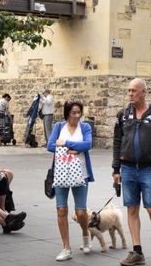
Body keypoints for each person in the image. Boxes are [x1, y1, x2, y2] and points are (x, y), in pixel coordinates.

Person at [112, 78, 151, 266]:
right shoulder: (123, 115)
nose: (130, 94)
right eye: (128, 90)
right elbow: (117, 143)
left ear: (143, 92)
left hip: (150, 168)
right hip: (128, 168)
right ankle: (137, 251)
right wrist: (116, 169)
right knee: (132, 208)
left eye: (134, 91)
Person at [47, 99, 94, 261]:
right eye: (73, 112)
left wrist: (66, 143)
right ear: (67, 113)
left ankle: (85, 233)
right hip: (61, 173)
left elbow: (87, 144)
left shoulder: (85, 127)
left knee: (80, 211)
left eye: (78, 112)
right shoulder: (59, 126)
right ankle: (66, 248)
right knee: (61, 210)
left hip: (81, 173)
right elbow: (50, 145)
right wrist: (72, 148)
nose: (76, 115)